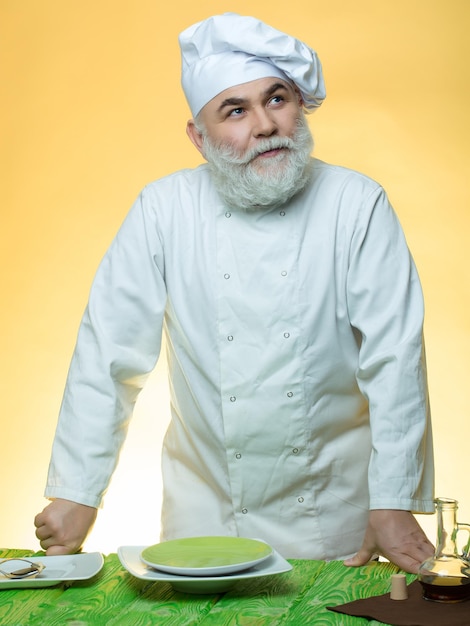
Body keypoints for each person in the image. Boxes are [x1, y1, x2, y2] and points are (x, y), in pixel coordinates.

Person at [34, 13, 435, 573]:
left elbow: (394, 359)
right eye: (236, 110)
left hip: (341, 526)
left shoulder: (356, 204)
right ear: (199, 138)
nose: (266, 124)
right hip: (204, 525)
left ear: (298, 106)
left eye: (277, 99)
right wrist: (78, 492)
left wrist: (393, 499)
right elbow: (108, 358)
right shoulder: (163, 210)